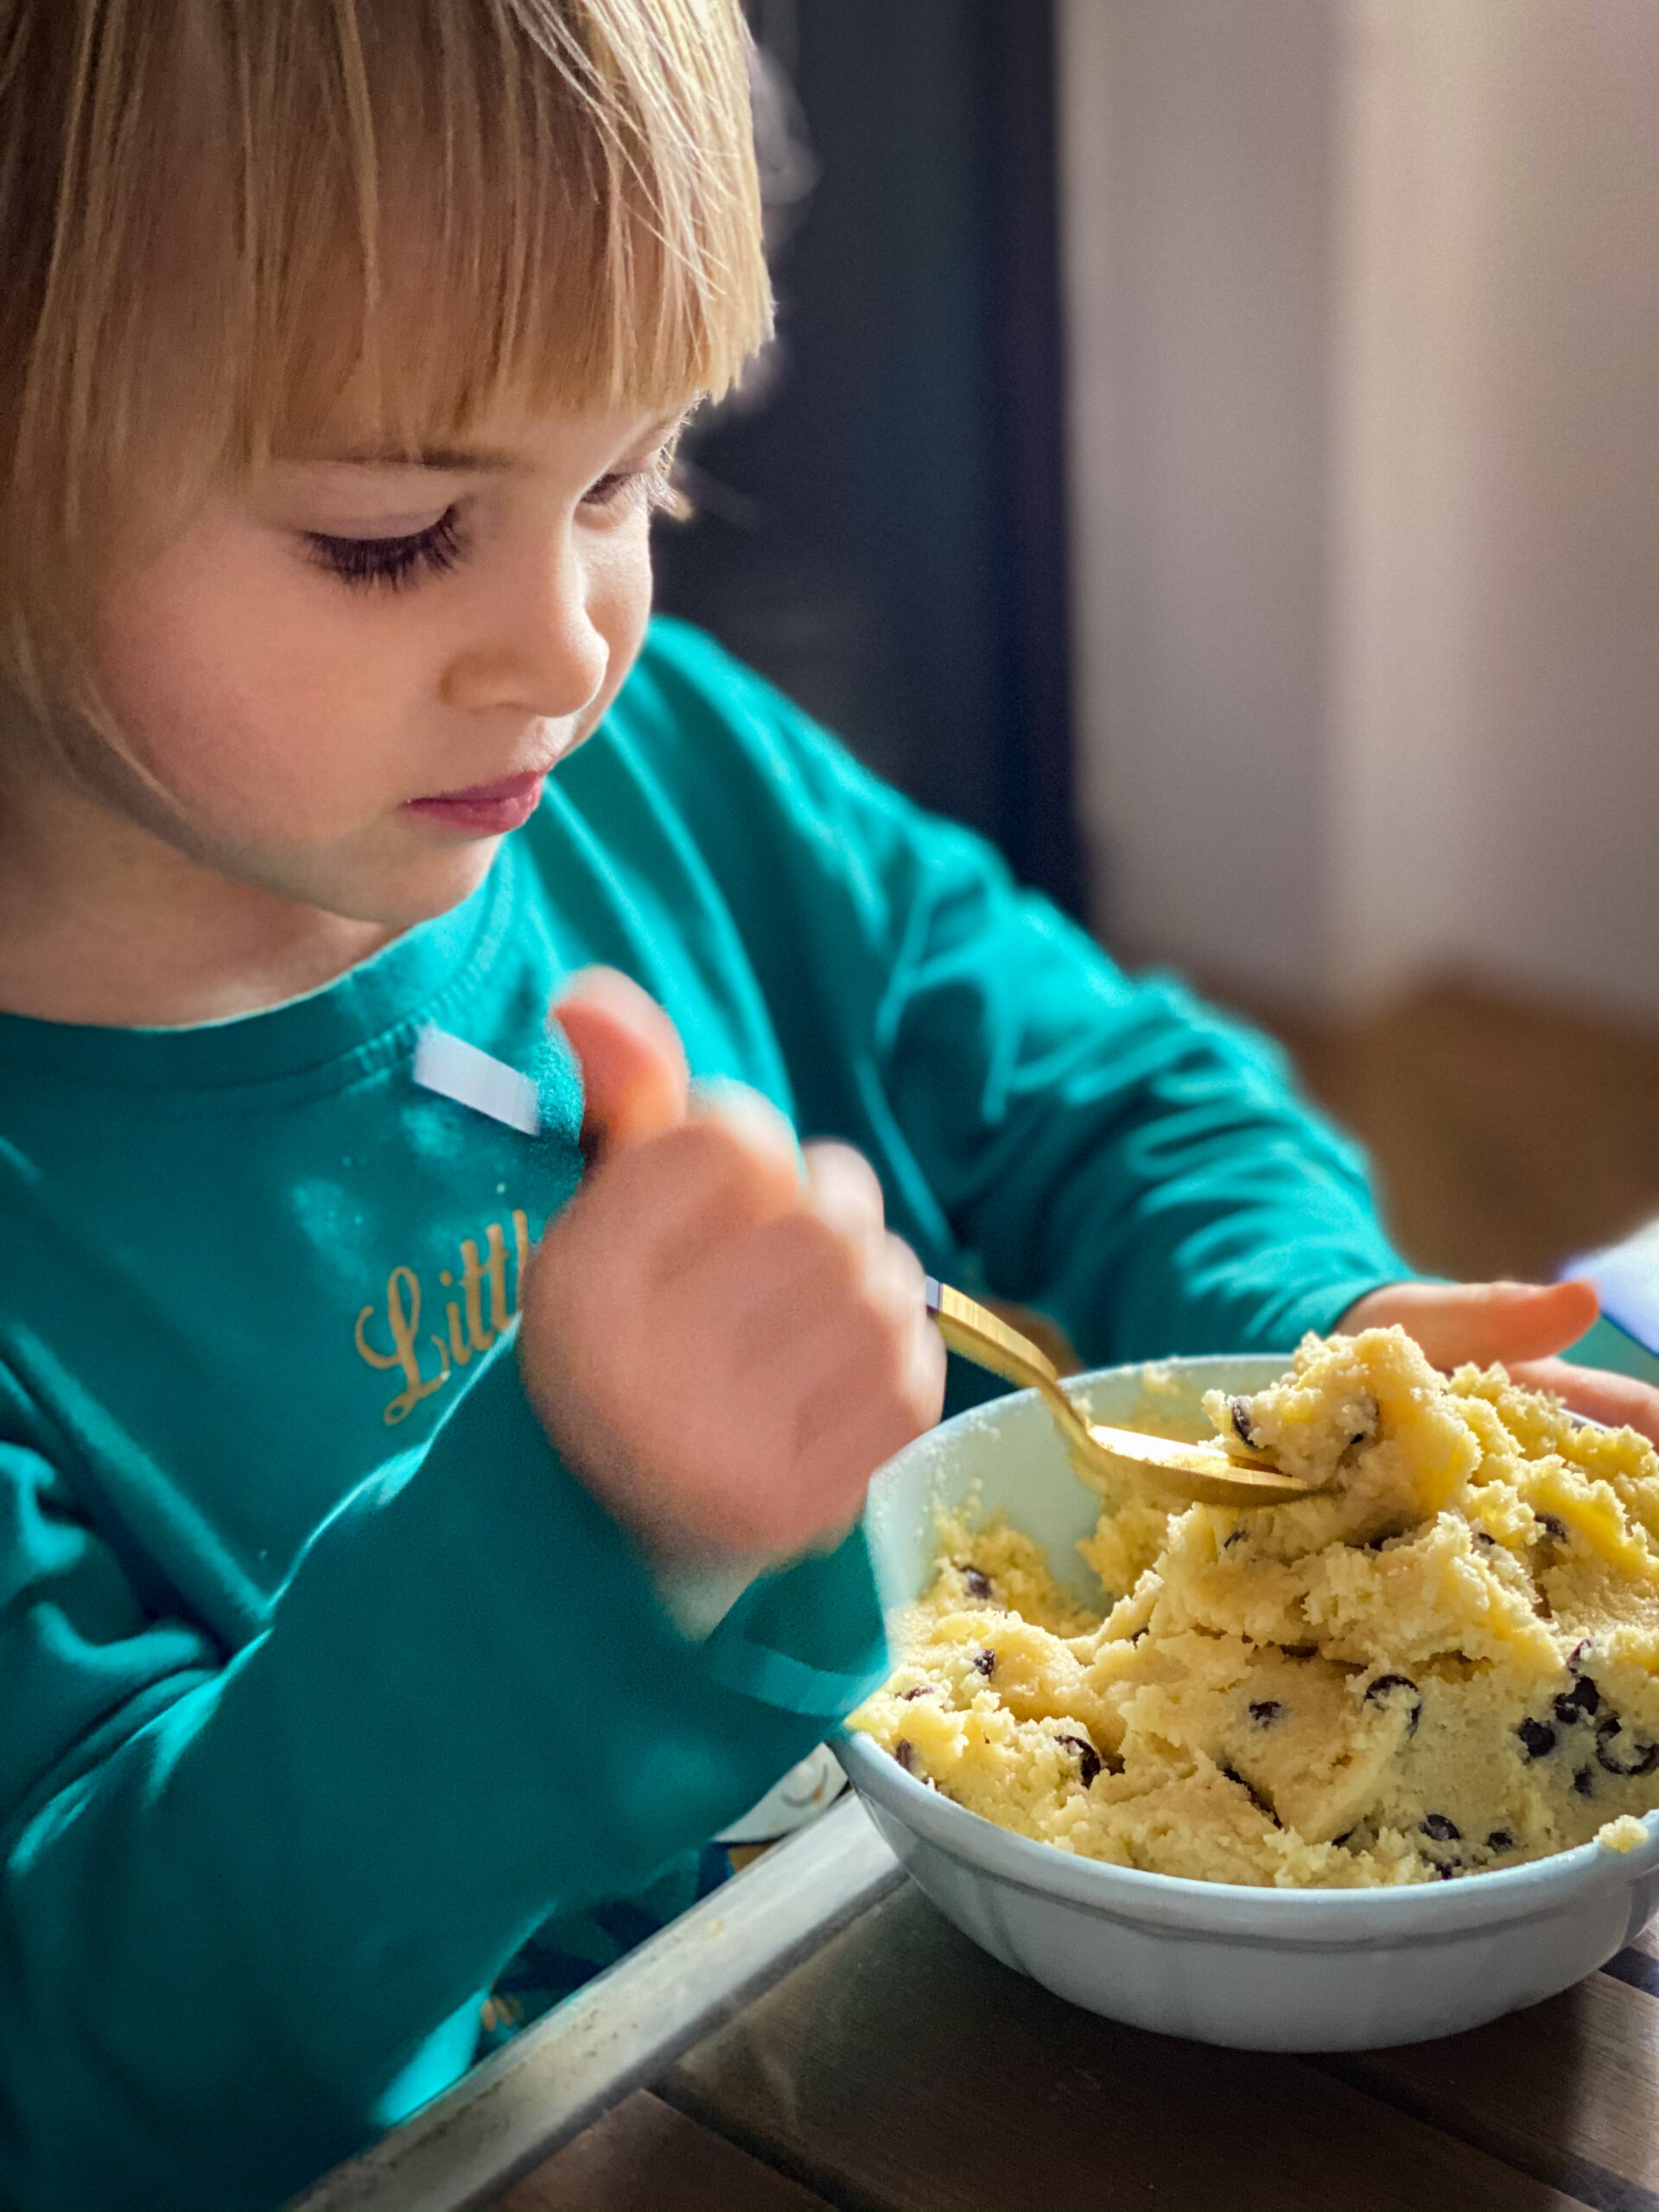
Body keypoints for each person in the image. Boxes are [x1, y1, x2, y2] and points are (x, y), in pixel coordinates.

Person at [0, 4, 1650, 2207]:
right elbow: (106, 2062)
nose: (571, 638)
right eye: (394, 535)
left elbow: (1094, 1074)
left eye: (623, 478)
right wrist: (592, 1533)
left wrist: (1309, 1340)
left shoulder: (662, 761)